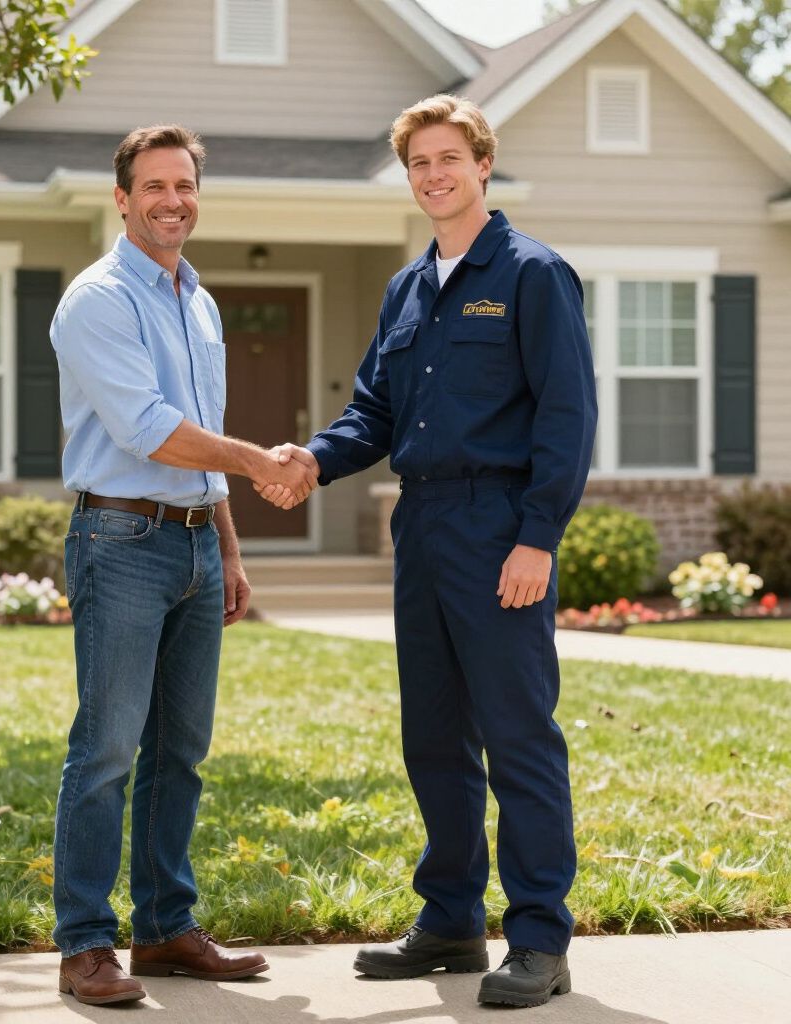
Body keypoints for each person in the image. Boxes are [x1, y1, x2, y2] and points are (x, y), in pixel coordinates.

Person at [264, 94, 596, 1008]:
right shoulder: (408, 290)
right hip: (423, 528)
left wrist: (537, 538)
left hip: (499, 532)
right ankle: (451, 919)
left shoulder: (533, 274)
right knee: (435, 738)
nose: (434, 175)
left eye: (450, 158)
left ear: (483, 165)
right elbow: (375, 410)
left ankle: (538, 938)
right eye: (418, 164)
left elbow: (568, 419)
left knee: (519, 736)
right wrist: (311, 460)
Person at [49, 123, 317, 1007]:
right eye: (155, 186)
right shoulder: (97, 299)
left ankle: (165, 929)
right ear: (121, 198)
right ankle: (86, 944)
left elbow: (197, 444)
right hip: (119, 542)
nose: (173, 200)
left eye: (186, 186)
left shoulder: (197, 301)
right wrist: (262, 463)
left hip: (196, 542)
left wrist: (229, 550)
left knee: (181, 749)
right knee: (108, 747)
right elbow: (150, 429)